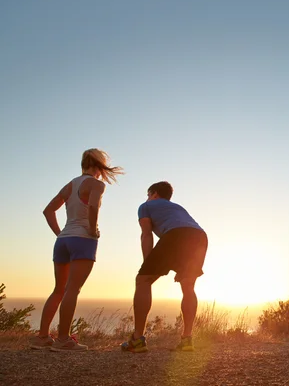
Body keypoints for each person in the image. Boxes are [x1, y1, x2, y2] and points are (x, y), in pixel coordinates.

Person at [29, 149, 124, 352]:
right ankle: (64, 340)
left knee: (59, 290)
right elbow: (93, 207)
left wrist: (59, 233)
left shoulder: (70, 184)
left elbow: (48, 210)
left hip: (63, 240)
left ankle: (42, 337)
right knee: (73, 289)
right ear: (100, 166)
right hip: (83, 239)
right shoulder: (97, 184)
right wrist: (92, 229)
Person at [121, 181, 208, 353]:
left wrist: (147, 265)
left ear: (153, 194)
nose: (147, 198)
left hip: (176, 234)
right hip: (199, 237)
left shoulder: (146, 206)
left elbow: (146, 235)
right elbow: (186, 232)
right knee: (188, 285)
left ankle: (137, 339)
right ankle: (187, 340)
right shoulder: (178, 208)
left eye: (148, 195)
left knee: (143, 281)